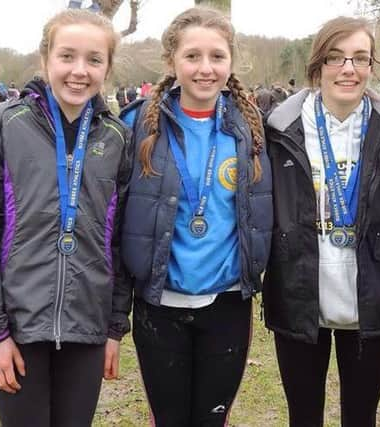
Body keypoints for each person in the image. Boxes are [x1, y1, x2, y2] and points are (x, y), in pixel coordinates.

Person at [0, 9, 133, 427]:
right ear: (45, 60)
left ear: (107, 67)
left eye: (94, 60)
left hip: (87, 329)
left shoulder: (116, 137)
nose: (79, 71)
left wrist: (112, 328)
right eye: (67, 56)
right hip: (16, 327)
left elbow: (120, 241)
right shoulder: (4, 124)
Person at [119, 6, 272, 427]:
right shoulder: (137, 126)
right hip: (159, 306)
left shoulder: (252, 128)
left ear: (231, 62)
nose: (205, 69)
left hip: (226, 306)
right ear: (171, 62)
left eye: (217, 57)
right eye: (192, 56)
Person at [263, 16, 380, 427]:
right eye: (336, 58)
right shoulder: (280, 130)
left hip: (369, 298)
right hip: (300, 294)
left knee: (361, 417)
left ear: (371, 67)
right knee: (303, 416)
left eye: (360, 58)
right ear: (317, 67)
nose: (348, 69)